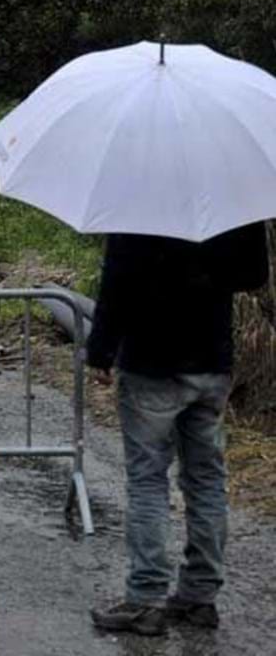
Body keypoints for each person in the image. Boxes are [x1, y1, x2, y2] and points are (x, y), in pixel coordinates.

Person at [88, 222, 269, 636]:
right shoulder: (232, 195)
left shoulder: (139, 198)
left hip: (151, 362)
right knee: (207, 480)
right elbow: (254, 275)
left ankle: (145, 600)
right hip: (211, 359)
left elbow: (119, 277)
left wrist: (100, 349)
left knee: (148, 481)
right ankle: (199, 597)